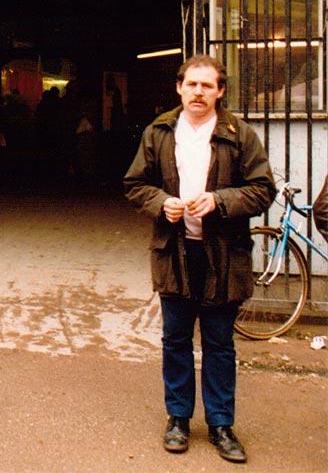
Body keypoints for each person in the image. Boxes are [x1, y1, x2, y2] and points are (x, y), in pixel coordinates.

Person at [123, 55, 275, 464]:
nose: (198, 92)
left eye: (208, 86)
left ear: (220, 91)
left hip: (223, 252)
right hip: (174, 250)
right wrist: (162, 203)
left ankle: (222, 424)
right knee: (175, 339)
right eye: (192, 85)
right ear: (179, 87)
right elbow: (135, 184)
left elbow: (263, 189)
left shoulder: (239, 134)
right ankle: (177, 419)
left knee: (219, 343)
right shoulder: (159, 131)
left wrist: (220, 200)